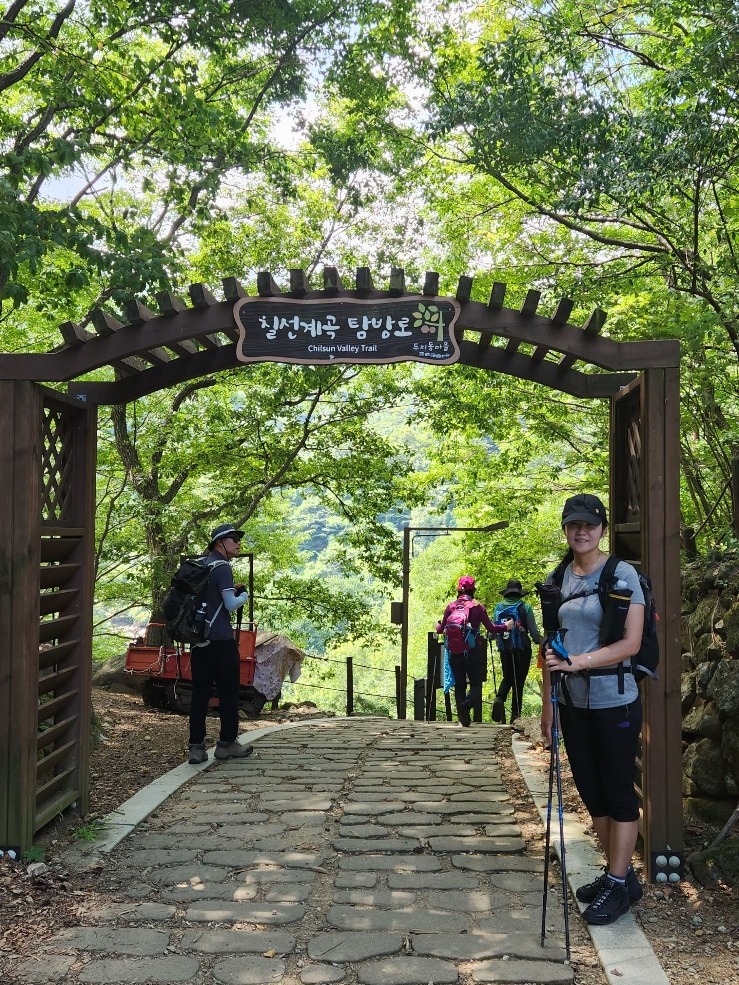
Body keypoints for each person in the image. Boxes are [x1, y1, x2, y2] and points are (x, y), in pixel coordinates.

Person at [540, 493, 645, 926]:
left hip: (614, 699)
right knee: (590, 791)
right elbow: (548, 647)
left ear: (602, 529)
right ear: (566, 530)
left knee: (618, 791)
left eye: (589, 524)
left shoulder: (622, 574)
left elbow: (631, 643)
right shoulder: (557, 578)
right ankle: (619, 875)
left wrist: (578, 662)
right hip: (571, 701)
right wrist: (549, 707)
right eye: (573, 525)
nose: (581, 531)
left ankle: (618, 884)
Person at [188, 522, 254, 764]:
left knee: (200, 694)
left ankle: (196, 748)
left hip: (198, 641)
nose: (238, 543)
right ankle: (226, 744)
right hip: (221, 641)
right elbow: (229, 604)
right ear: (219, 543)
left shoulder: (202, 566)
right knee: (228, 692)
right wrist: (243, 596)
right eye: (233, 539)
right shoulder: (223, 567)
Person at [437, 575, 512, 727]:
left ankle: (463, 718)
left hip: (454, 652)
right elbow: (491, 628)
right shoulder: (477, 607)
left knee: (459, 685)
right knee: (476, 684)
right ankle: (468, 704)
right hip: (472, 651)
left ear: (459, 590)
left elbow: (440, 629)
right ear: (473, 590)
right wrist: (506, 626)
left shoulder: (451, 607)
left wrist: (437, 625)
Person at [491, 579, 542, 725]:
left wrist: (491, 637)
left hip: (505, 648)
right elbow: (533, 632)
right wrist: (541, 641)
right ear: (519, 594)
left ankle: (499, 698)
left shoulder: (499, 607)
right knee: (518, 680)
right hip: (522, 649)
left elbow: (494, 631)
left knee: (508, 676)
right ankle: (516, 715)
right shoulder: (525, 607)